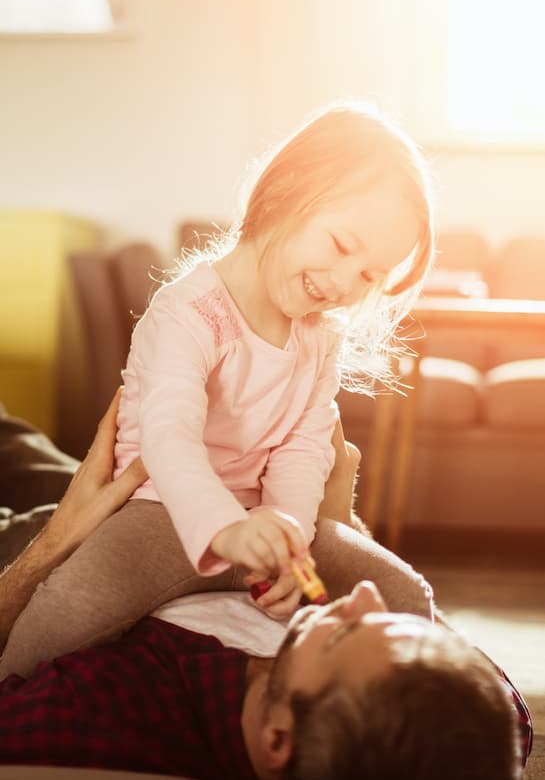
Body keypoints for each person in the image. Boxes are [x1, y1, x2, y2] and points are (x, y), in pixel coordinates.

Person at [0, 102, 436, 679]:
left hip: (263, 523)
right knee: (60, 621)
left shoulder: (318, 337)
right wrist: (226, 530)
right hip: (162, 516)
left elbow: (304, 447)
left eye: (369, 277)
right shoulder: (188, 310)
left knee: (405, 598)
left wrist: (287, 530)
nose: (342, 283)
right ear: (284, 192)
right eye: (339, 244)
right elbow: (169, 439)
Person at [0, 400, 531, 779]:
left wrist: (58, 537)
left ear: (278, 738)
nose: (362, 597)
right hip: (184, 502)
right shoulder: (474, 719)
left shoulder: (89, 723)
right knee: (21, 445)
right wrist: (334, 519)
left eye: (341, 636)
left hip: (43, 556)